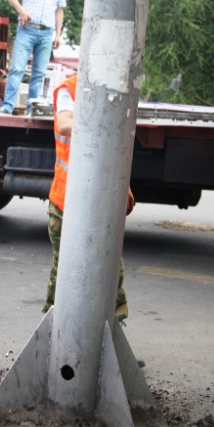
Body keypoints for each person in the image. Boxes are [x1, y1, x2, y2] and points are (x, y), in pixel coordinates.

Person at [42, 74, 130, 321]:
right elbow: (65, 124)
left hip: (100, 202)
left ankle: (112, 333)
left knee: (112, 269)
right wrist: (103, 118)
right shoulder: (69, 89)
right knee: (66, 273)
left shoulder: (116, 87)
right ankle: (53, 329)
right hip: (66, 205)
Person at [0, 0, 67, 115]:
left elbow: (59, 10)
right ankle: (7, 106)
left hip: (46, 33)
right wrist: (21, 11)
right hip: (27, 30)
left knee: (39, 73)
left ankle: (32, 110)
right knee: (17, 69)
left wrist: (58, 34)